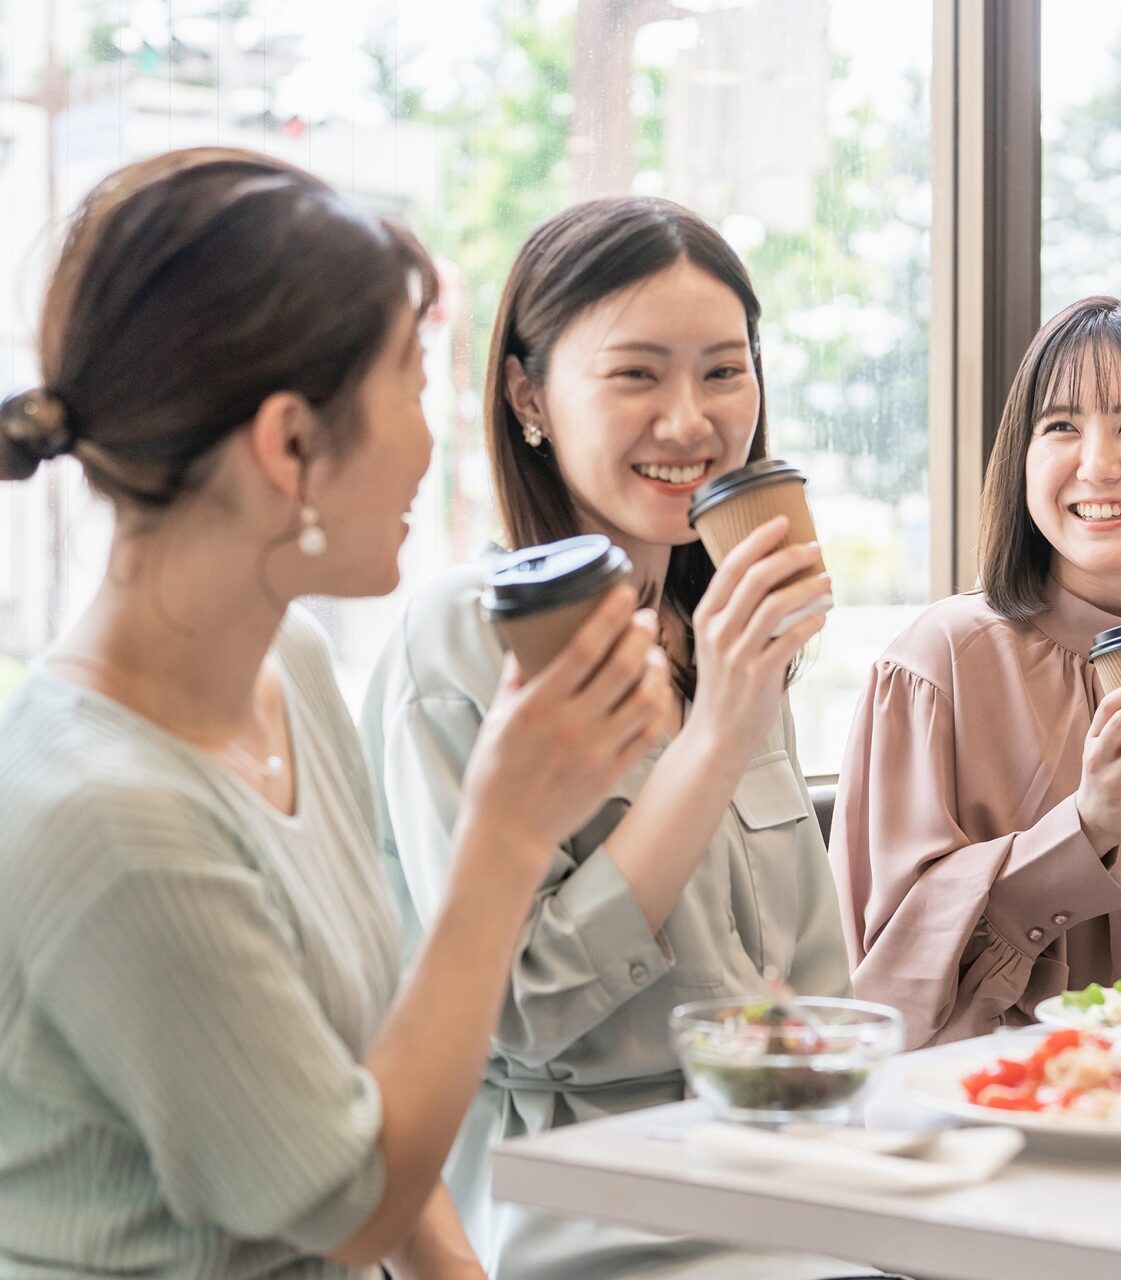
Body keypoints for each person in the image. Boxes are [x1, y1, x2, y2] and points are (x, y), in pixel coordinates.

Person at [0, 148, 669, 1277]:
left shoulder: (288, 669)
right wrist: (507, 832)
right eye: (410, 382)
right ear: (291, 444)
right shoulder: (113, 821)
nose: (431, 433)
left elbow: (368, 1083)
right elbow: (347, 1199)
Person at [363, 197, 874, 1280]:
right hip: (584, 1207)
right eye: (637, 374)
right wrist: (718, 733)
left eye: (724, 371)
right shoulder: (465, 636)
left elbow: (805, 982)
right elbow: (518, 1013)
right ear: (528, 394)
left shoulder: (725, 626)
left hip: (785, 1173)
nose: (690, 421)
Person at [830, 295, 1121, 1051]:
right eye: (1060, 427)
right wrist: (1084, 828)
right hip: (976, 1107)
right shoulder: (934, 662)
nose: (1096, 464)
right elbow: (891, 969)